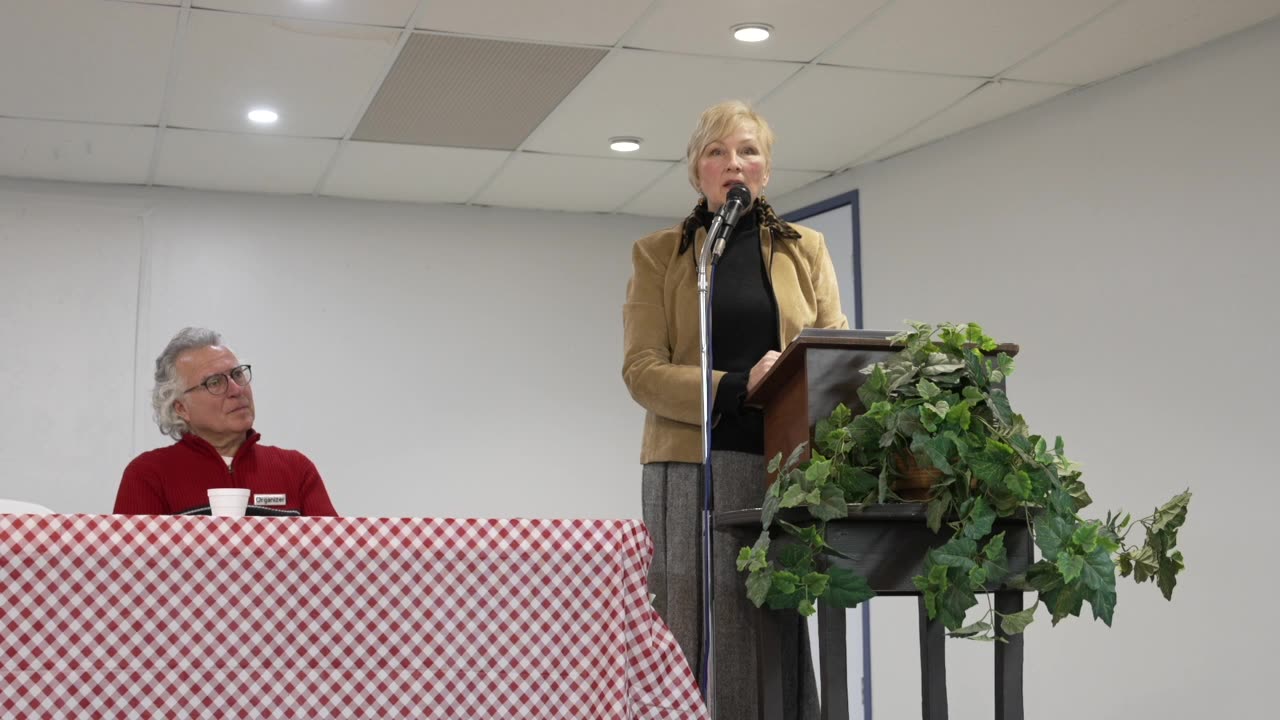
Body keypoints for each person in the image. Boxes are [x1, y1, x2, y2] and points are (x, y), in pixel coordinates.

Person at [622, 100, 847, 718]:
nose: (734, 163)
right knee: (687, 615)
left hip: (780, 464)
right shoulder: (659, 255)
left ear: (767, 170)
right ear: (697, 170)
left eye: (748, 150)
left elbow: (836, 355)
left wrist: (791, 380)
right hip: (687, 466)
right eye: (716, 152)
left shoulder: (807, 248)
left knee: (763, 616)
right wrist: (737, 384)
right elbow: (641, 372)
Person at [114, 327, 338, 517]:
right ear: (181, 407)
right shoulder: (148, 475)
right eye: (215, 382)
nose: (236, 389)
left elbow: (337, 561)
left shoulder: (296, 469)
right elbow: (130, 565)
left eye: (237, 375)